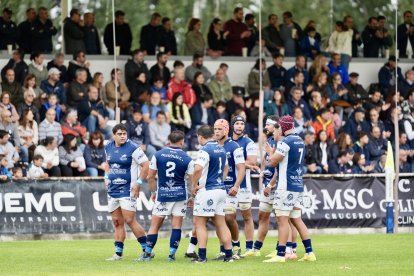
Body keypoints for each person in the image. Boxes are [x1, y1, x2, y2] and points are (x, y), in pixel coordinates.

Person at [264, 115, 315, 263]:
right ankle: (309, 252)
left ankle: (280, 255)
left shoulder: (285, 142)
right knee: (297, 219)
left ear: (283, 127)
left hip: (285, 186)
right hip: (298, 183)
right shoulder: (300, 140)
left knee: (282, 220)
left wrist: (269, 153)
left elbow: (273, 162)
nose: (278, 129)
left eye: (279, 127)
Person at [143, 130, 194, 261]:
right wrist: (192, 197)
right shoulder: (187, 158)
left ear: (168, 141)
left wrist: (153, 193)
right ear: (182, 141)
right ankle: (171, 255)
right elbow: (192, 181)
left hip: (163, 194)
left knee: (154, 225)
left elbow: (150, 177)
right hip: (180, 195)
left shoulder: (158, 155)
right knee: (176, 226)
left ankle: (147, 254)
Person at [104, 124, 149, 261]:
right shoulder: (108, 147)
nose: (122, 136)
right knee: (117, 222)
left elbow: (146, 165)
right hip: (113, 190)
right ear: (114, 135)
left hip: (128, 190)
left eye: (124, 133)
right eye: (120, 134)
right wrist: (106, 177)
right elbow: (107, 164)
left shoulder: (133, 148)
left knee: (129, 220)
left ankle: (147, 250)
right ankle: (118, 253)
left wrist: (139, 183)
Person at [190, 125, 233, 263]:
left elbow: (197, 169)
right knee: (221, 223)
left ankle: (202, 257)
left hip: (208, 190)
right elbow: (226, 167)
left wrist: (193, 185)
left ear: (200, 137)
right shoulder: (221, 148)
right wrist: (221, 180)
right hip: (221, 190)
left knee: (200, 223)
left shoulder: (205, 150)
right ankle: (229, 255)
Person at [243, 116, 279, 257]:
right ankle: (256, 249)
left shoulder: (280, 141)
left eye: (268, 125)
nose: (266, 127)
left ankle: (282, 248)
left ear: (275, 126)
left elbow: (279, 165)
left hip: (276, 185)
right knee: (263, 216)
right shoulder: (269, 140)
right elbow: (267, 159)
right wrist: (263, 170)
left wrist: (271, 184)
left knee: (282, 219)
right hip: (267, 183)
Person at [213, 119, 245, 259]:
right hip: (216, 188)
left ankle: (236, 245)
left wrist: (236, 186)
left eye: (219, 129)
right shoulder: (212, 146)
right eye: (215, 129)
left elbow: (241, 168)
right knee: (219, 220)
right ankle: (223, 249)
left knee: (229, 218)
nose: (216, 132)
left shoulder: (234, 146)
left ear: (226, 130)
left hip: (230, 187)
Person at [231, 115, 259, 254]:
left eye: (242, 124)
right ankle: (233, 245)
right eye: (237, 124)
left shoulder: (249, 142)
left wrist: (237, 163)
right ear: (232, 126)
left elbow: (252, 163)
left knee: (247, 216)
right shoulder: (226, 142)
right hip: (227, 185)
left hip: (243, 186)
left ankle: (249, 247)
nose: (239, 126)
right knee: (228, 217)